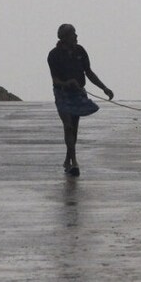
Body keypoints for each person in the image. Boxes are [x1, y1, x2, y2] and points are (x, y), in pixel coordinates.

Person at [47, 24, 114, 177]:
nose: (76, 37)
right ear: (64, 38)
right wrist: (67, 83)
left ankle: (67, 159)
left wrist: (104, 88)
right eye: (73, 34)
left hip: (78, 94)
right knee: (68, 126)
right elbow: (55, 80)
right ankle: (74, 162)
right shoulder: (54, 55)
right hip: (62, 94)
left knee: (74, 128)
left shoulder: (80, 51)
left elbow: (88, 72)